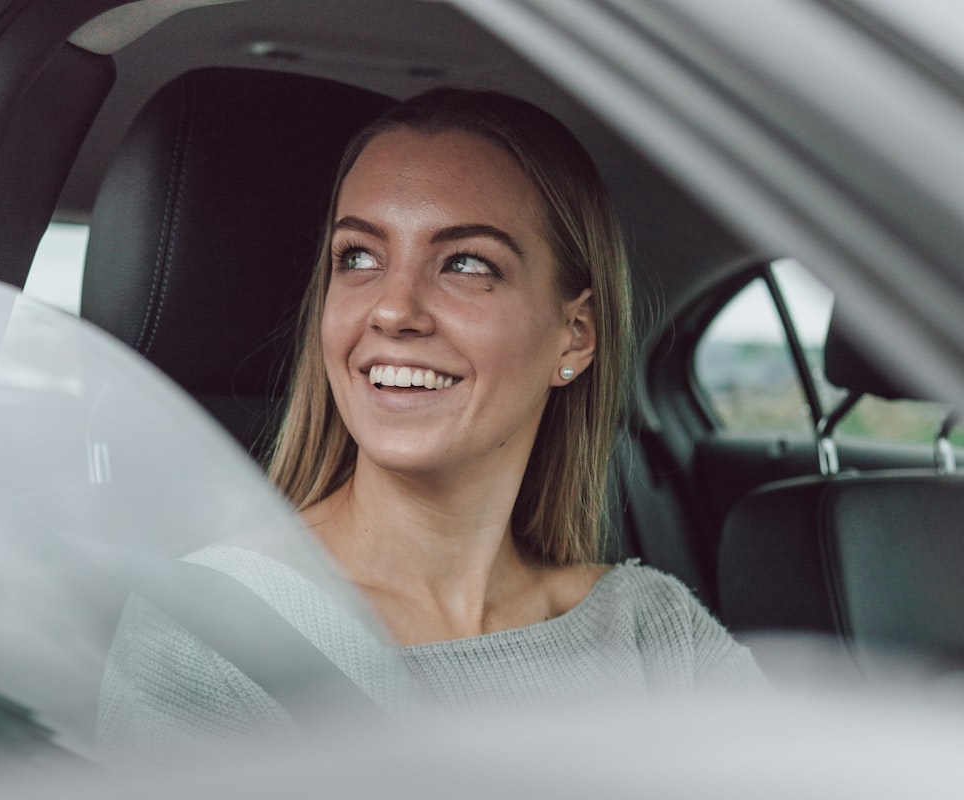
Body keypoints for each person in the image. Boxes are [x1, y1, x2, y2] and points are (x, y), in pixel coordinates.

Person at [97, 88, 762, 759]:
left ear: (574, 337)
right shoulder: (208, 636)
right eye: (358, 257)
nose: (393, 309)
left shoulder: (653, 631)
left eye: (467, 263)